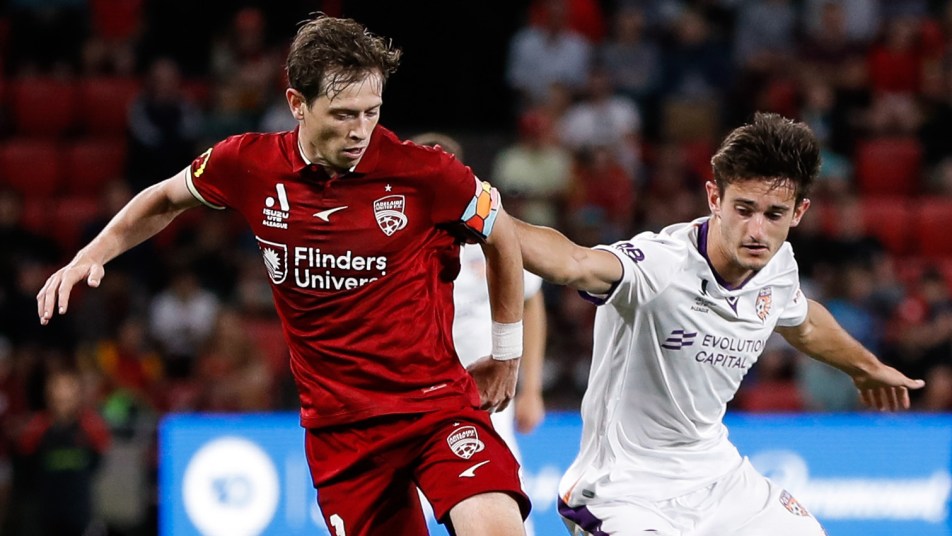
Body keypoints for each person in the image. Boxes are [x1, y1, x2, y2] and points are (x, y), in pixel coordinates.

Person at [36, 14, 530, 536]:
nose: (360, 131)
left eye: (371, 112)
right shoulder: (248, 165)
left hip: (435, 409)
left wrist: (506, 352)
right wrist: (93, 253)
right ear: (297, 104)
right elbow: (165, 198)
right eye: (342, 115)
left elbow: (502, 236)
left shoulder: (426, 172)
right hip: (342, 435)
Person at [513, 112, 925, 536]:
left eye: (774, 214)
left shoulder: (778, 267)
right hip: (625, 490)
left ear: (799, 212)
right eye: (743, 209)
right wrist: (482, 213)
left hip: (717, 478)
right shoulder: (662, 264)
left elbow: (804, 322)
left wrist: (864, 367)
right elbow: (572, 261)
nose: (757, 231)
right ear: (714, 197)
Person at [413, 131, 547, 536]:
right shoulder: (393, 245)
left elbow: (531, 300)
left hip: (482, 394)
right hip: (411, 395)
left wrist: (531, 389)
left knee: (501, 506)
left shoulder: (488, 236)